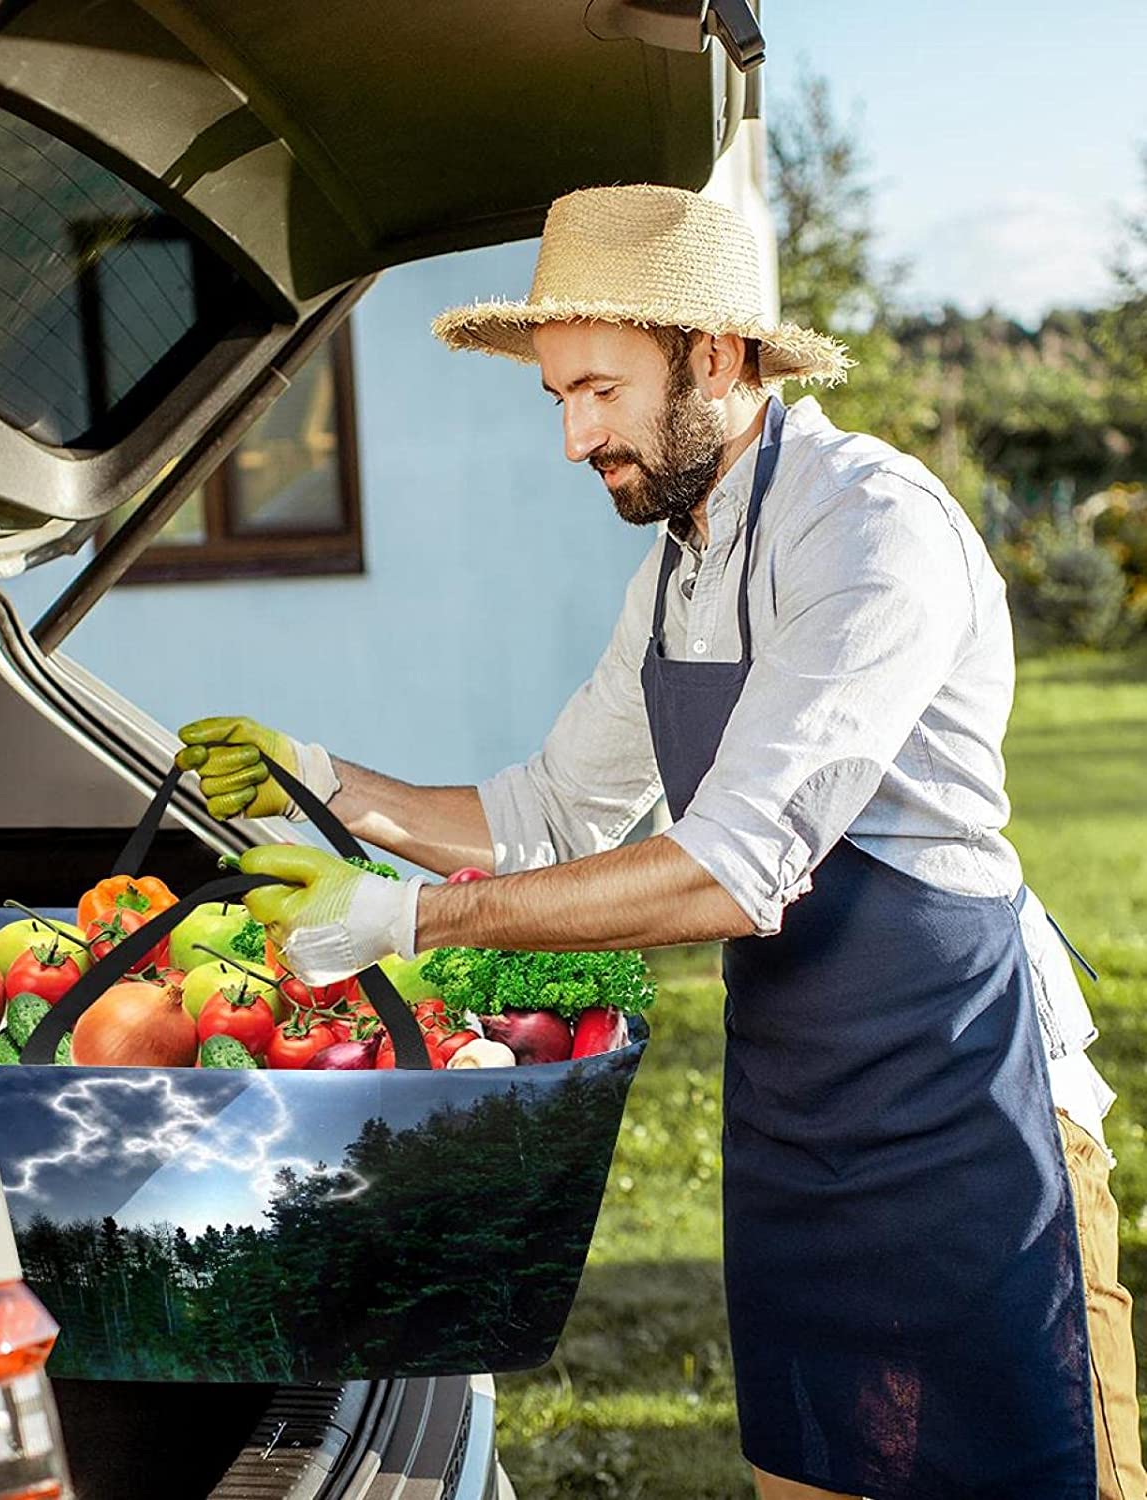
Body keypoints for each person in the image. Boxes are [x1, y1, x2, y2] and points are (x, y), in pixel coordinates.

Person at [174, 184, 1143, 1500]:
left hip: (965, 1105)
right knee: (811, 1478)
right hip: (797, 1112)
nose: (575, 438)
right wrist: (329, 782)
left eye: (601, 392)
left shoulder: (870, 534)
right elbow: (552, 812)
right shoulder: (679, 567)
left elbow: (738, 869)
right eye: (560, 398)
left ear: (719, 356)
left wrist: (413, 920)